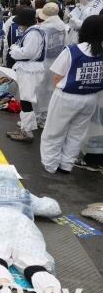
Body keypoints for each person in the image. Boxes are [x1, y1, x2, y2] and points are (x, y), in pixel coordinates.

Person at [40, 15, 103, 174]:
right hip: (91, 97)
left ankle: (50, 164)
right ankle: (67, 164)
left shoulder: (72, 50)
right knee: (77, 133)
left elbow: (57, 76)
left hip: (67, 96)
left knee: (54, 131)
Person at [7, 8, 45, 142]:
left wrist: (14, 50)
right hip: (29, 69)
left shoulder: (33, 33)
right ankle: (25, 128)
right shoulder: (33, 31)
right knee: (25, 100)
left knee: (26, 100)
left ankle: (27, 132)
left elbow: (28, 53)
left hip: (30, 70)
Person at [34, 3, 69, 127]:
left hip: (42, 64)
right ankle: (46, 118)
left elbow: (35, 48)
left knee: (38, 91)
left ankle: (36, 118)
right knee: (51, 91)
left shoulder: (41, 28)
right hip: (58, 64)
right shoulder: (63, 27)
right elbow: (67, 45)